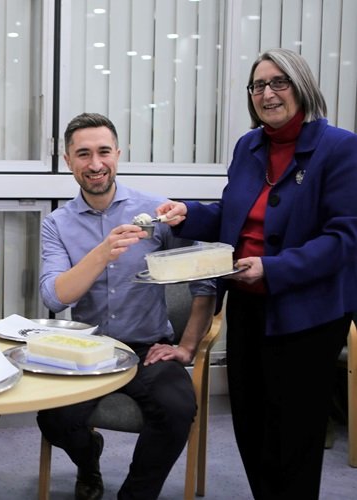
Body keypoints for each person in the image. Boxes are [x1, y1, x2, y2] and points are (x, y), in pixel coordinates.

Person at [157, 48, 357, 499]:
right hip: (247, 302)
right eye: (258, 85)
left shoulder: (341, 148)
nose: (267, 94)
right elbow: (234, 215)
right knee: (250, 426)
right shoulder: (248, 146)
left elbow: (345, 239)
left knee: (293, 439)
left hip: (307, 314)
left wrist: (274, 267)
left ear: (302, 85)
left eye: (278, 82)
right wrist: (187, 214)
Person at [37, 113, 216, 500]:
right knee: (53, 419)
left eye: (104, 151)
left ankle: (135, 495)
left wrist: (186, 346)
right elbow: (54, 296)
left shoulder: (159, 213)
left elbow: (205, 280)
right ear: (68, 161)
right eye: (83, 154)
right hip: (89, 351)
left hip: (148, 349)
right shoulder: (57, 224)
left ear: (119, 154)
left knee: (176, 410)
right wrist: (102, 253)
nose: (95, 164)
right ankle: (89, 461)